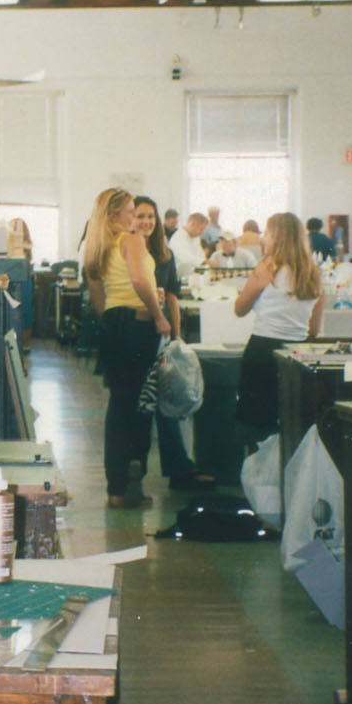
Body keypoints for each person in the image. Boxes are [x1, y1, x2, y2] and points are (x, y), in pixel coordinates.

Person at [82, 187, 170, 509]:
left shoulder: (95, 249)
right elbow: (138, 280)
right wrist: (159, 316)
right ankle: (135, 474)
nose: (135, 217)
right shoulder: (131, 241)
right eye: (131, 211)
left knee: (119, 406)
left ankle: (116, 487)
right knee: (142, 404)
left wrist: (122, 316)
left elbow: (100, 300)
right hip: (139, 325)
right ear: (113, 215)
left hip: (113, 326)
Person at [134, 197, 214, 489]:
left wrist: (176, 336)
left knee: (166, 400)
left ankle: (179, 469)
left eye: (150, 217)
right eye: (140, 216)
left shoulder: (164, 254)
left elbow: (171, 296)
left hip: (161, 332)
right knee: (140, 403)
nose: (146, 222)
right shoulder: (125, 251)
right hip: (133, 332)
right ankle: (137, 468)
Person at [233, 212, 326, 437]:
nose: (263, 239)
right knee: (292, 426)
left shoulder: (266, 269)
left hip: (262, 352)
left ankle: (257, 472)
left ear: (278, 238)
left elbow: (239, 309)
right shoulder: (313, 274)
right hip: (298, 353)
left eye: (268, 234)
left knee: (256, 428)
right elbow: (313, 329)